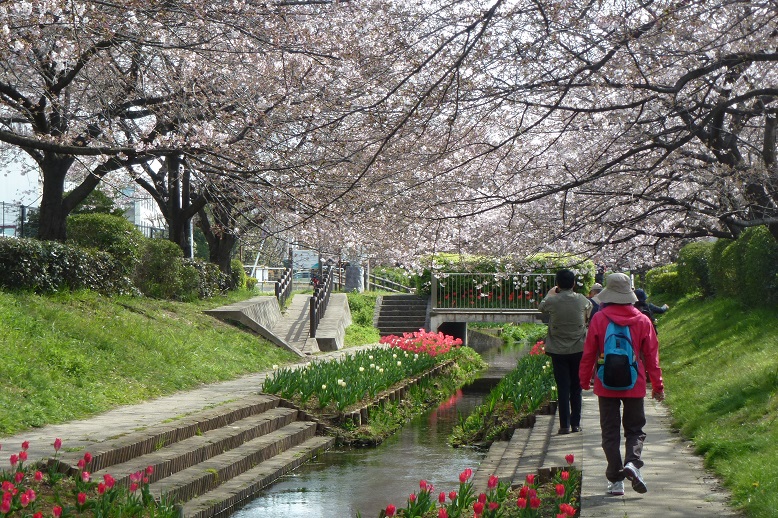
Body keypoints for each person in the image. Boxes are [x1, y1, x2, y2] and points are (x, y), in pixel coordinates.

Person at [579, 273, 665, 497]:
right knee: (635, 429)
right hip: (634, 383)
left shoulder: (599, 319)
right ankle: (632, 463)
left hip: (605, 383)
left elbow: (589, 352)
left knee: (610, 431)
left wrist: (584, 379)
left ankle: (616, 480)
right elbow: (651, 357)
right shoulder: (642, 320)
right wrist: (657, 386)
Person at [539, 269, 592, 435]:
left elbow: (542, 308)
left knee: (562, 387)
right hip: (578, 347)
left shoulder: (552, 301)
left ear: (557, 284)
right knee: (576, 386)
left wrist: (550, 294)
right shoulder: (581, 299)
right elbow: (588, 311)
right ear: (574, 283)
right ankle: (576, 423)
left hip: (558, 350)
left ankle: (564, 425)